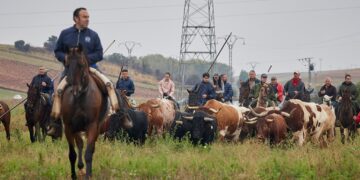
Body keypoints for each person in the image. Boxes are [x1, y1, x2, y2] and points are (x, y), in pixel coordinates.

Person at [48, 7, 119, 136]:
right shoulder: (65, 33)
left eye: (88, 17)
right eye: (85, 17)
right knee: (57, 92)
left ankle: (121, 116)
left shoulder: (93, 35)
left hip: (91, 68)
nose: (87, 19)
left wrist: (85, 60)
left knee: (109, 85)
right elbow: (57, 51)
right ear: (76, 18)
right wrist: (65, 58)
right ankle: (56, 125)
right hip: (70, 70)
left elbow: (99, 53)